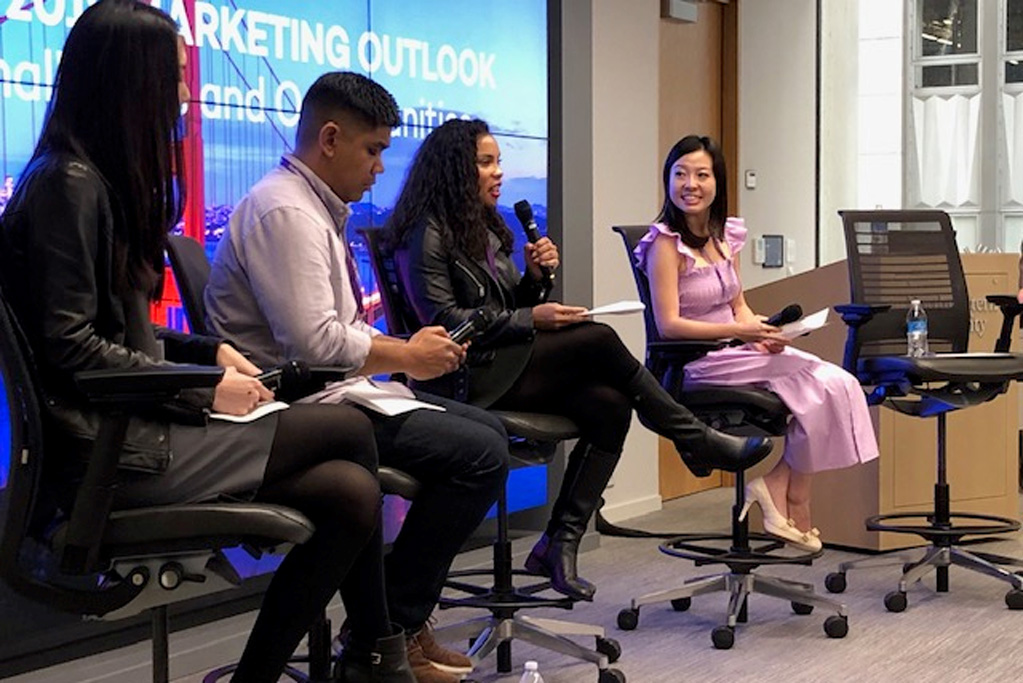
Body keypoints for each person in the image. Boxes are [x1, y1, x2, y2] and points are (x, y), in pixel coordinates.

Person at [0, 3, 414, 683]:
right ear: (135, 82)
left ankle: (355, 657)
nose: (189, 92)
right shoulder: (69, 187)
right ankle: (378, 655)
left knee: (347, 490)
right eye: (179, 75)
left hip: (129, 430)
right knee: (348, 431)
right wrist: (204, 386)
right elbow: (74, 351)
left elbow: (110, 332)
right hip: (108, 454)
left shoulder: (84, 180)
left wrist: (205, 352)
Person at [383, 118, 774, 603]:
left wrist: (534, 279)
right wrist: (534, 317)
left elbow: (505, 305)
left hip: (500, 363)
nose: (498, 172)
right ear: (453, 170)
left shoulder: (481, 226)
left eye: (498, 161)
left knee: (609, 403)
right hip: (463, 377)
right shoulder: (426, 231)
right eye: (486, 163)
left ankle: (558, 543)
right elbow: (444, 319)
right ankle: (693, 439)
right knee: (596, 338)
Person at [204, 73, 508, 683]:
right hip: (299, 405)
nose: (378, 167)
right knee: (480, 453)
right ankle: (389, 632)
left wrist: (397, 357)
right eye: (373, 150)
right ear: (331, 138)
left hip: (336, 394)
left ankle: (385, 636)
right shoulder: (286, 211)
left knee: (486, 437)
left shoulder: (311, 206)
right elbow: (314, 344)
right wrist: (405, 356)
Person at [635, 134, 880, 551]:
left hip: (737, 350)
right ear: (668, 180)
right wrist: (739, 332)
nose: (690, 184)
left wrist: (766, 332)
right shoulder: (663, 243)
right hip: (697, 362)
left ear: (718, 183)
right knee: (816, 384)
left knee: (837, 383)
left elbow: (739, 305)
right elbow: (669, 324)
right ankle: (793, 498)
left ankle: (780, 486)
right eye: (680, 174)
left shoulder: (722, 238)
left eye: (701, 175)